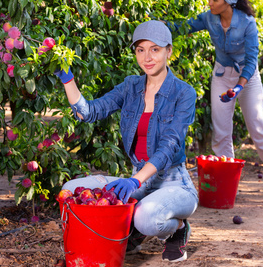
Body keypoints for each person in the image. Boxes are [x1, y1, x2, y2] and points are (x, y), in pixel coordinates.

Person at [54, 20, 199, 262]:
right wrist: (68, 80)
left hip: (174, 184)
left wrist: (135, 181)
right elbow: (89, 112)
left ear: (169, 51)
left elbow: (170, 146)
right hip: (138, 181)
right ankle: (133, 229)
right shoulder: (131, 86)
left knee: (147, 218)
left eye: (155, 49)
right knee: (69, 190)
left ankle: (178, 229)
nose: (147, 57)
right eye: (140, 50)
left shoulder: (184, 93)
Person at [167, 0, 263, 199]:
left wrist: (239, 87)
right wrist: (154, 26)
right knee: (221, 131)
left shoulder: (247, 23)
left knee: (257, 125)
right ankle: (227, 183)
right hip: (222, 75)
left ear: (227, 1)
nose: (209, 3)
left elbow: (252, 59)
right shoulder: (209, 18)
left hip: (248, 78)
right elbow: (182, 28)